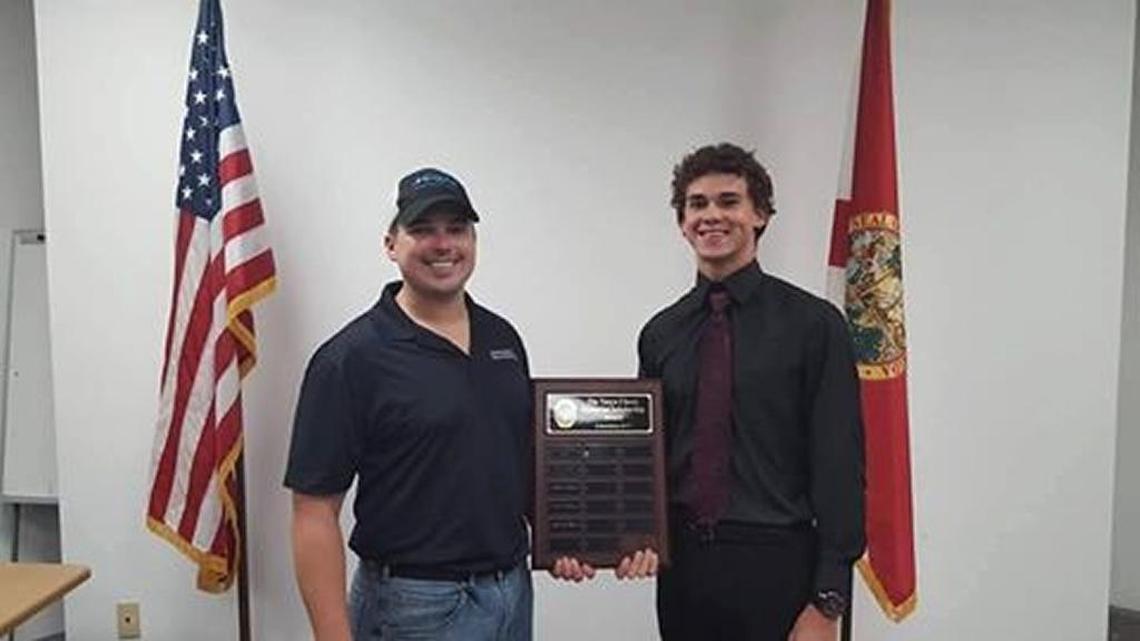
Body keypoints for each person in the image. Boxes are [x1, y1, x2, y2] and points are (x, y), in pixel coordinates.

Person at [285, 167, 533, 641]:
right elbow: (313, 512)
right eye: (423, 229)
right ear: (391, 245)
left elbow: (519, 463)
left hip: (512, 594)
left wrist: (582, 538)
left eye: (457, 229)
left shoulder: (503, 339)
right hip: (413, 607)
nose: (443, 244)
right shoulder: (350, 359)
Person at [638, 143, 866, 641]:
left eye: (729, 201)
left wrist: (828, 600)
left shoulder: (814, 326)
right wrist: (613, 535)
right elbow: (642, 458)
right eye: (697, 204)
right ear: (681, 222)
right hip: (686, 572)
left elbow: (839, 463)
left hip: (780, 567)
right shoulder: (661, 333)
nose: (712, 215)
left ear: (759, 215)